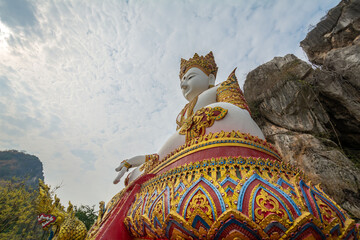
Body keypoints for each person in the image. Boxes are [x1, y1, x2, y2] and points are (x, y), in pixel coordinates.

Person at [113, 51, 264, 185]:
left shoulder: (223, 87)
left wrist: (203, 117)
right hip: (185, 156)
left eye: (190, 77)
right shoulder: (182, 115)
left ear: (210, 78)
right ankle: (150, 167)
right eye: (182, 81)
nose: (183, 85)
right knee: (136, 173)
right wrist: (136, 161)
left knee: (218, 111)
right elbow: (175, 148)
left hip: (221, 138)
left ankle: (154, 166)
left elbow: (240, 114)